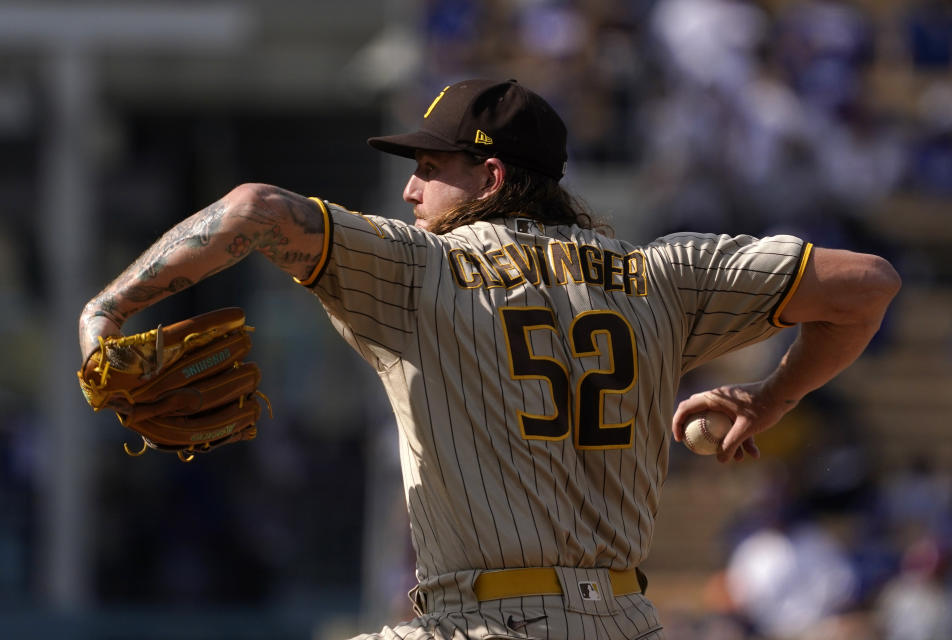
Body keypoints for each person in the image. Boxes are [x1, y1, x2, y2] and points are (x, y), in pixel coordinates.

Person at [78, 79, 900, 639]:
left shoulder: (419, 266)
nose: (410, 191)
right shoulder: (663, 274)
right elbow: (868, 283)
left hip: (480, 623)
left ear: (491, 176)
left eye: (430, 169)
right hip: (622, 620)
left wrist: (108, 307)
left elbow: (254, 210)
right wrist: (772, 400)